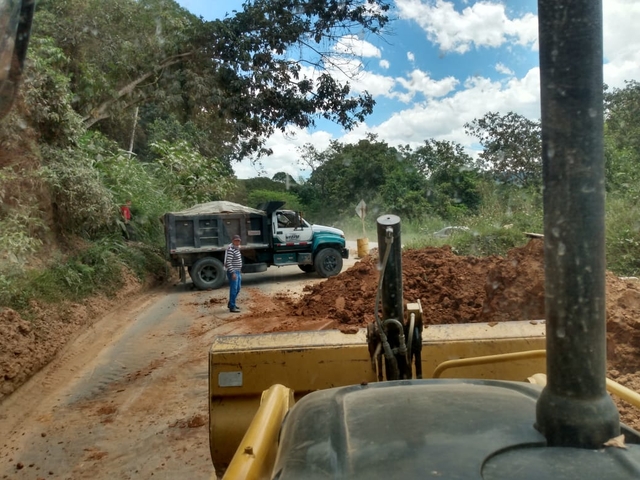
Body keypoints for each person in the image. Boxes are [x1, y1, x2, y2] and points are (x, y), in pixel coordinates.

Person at [224, 234, 243, 312]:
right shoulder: (231, 249)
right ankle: (232, 306)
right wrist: (233, 273)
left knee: (238, 288)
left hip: (237, 271)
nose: (237, 242)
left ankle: (231, 303)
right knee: (234, 289)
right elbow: (228, 262)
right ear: (233, 241)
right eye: (236, 241)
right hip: (233, 272)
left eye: (238, 241)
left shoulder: (237, 248)